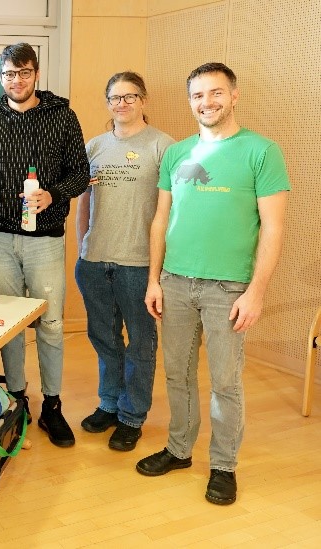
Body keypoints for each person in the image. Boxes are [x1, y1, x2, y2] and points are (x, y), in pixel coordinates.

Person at [137, 62, 289, 505]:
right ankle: (180, 449)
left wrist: (256, 291)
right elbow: (161, 219)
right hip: (176, 282)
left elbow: (274, 228)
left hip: (229, 289)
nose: (207, 102)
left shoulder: (262, 151)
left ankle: (223, 465)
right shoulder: (177, 153)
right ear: (191, 102)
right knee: (177, 374)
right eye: (198, 96)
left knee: (225, 381)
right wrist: (154, 280)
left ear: (234, 95)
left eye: (216, 93)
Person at [0, 42, 89, 448]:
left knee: (51, 325)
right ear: (0, 77)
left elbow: (81, 173)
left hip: (46, 241)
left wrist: (52, 194)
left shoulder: (62, 117)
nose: (16, 81)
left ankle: (52, 405)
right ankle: (16, 398)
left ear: (35, 73)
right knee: (10, 324)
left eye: (23, 72)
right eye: (8, 74)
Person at [75, 72, 175, 452]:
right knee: (104, 338)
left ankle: (132, 416)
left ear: (144, 100)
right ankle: (109, 403)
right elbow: (84, 203)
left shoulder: (163, 147)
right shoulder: (95, 146)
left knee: (141, 344)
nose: (123, 104)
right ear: (108, 103)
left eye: (130, 96)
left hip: (139, 265)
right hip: (95, 261)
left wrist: (159, 270)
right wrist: (84, 247)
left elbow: (171, 212)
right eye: (115, 98)